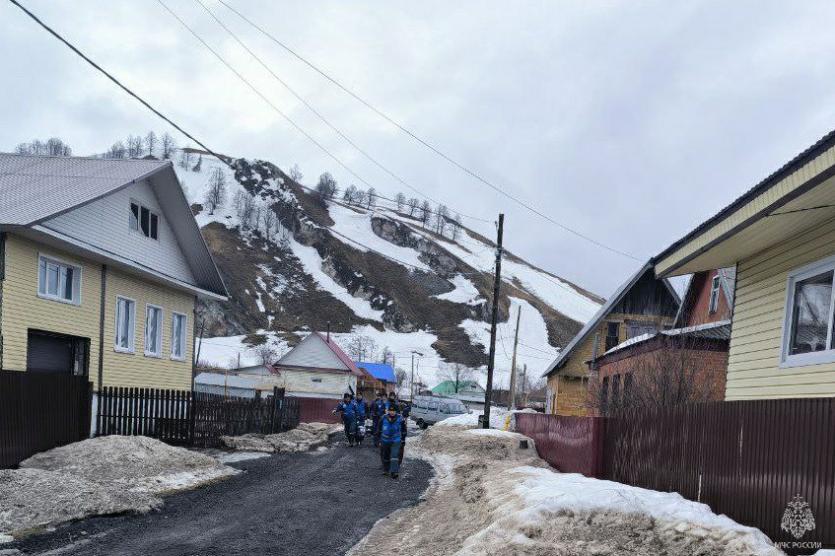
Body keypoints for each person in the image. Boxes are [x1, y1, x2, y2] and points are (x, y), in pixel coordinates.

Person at [379, 403, 403, 478]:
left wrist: (403, 440)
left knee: (394, 455)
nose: (392, 412)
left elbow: (404, 429)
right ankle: (386, 470)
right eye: (390, 410)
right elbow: (379, 429)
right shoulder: (383, 418)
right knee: (385, 455)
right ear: (388, 411)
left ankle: (394, 472)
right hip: (385, 440)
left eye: (393, 411)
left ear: (396, 411)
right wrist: (378, 439)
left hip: (396, 440)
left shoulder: (400, 418)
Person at [398, 400, 411, 466]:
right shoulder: (404, 407)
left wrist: (403, 438)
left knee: (400, 449)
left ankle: (399, 462)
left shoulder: (404, 407)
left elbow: (404, 431)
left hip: (400, 438)